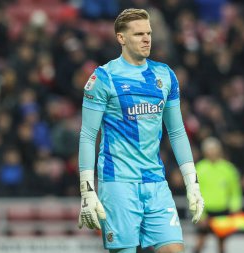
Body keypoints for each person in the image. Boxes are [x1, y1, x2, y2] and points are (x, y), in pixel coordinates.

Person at [78, 8, 204, 253]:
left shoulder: (165, 75)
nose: (146, 39)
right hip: (118, 183)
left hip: (156, 182)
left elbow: (177, 132)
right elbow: (87, 135)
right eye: (138, 34)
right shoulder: (103, 78)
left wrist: (192, 183)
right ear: (121, 38)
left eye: (149, 33)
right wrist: (87, 189)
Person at [194, 137, 242, 253]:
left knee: (221, 245)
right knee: (200, 243)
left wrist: (235, 208)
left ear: (219, 150)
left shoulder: (228, 169)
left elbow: (235, 191)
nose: (212, 152)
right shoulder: (199, 168)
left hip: (223, 210)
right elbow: (193, 192)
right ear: (204, 152)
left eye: (214, 149)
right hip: (205, 210)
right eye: (209, 149)